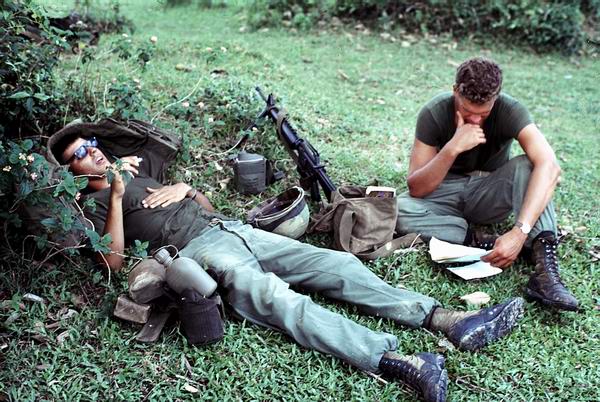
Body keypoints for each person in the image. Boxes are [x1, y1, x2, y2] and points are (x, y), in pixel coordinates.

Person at [53, 134, 525, 402]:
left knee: (335, 262)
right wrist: (114, 196)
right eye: (79, 153)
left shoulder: (138, 172)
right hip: (197, 253)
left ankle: (447, 319)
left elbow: (206, 204)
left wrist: (185, 188)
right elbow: (112, 263)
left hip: (234, 228)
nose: (91, 151)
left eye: (91, 143)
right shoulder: (87, 207)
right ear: (72, 172)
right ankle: (400, 361)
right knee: (277, 299)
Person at [395, 57, 578, 312]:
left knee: (530, 166)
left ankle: (545, 273)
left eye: (484, 113)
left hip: (489, 190)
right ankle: (483, 241)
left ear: (496, 98)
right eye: (468, 111)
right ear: (455, 91)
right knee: (396, 209)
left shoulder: (510, 110)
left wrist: (519, 231)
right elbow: (417, 188)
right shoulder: (434, 111)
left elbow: (550, 166)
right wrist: (452, 148)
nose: (476, 120)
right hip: (443, 192)